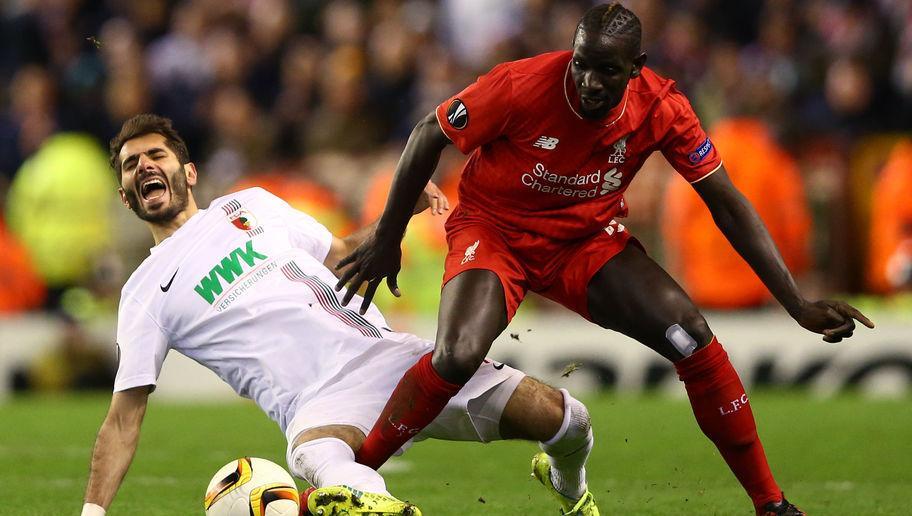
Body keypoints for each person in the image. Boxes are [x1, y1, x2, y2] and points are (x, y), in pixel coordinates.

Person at [334, 4, 875, 516]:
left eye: (607, 72)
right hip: (496, 231)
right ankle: (351, 481)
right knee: (456, 355)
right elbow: (428, 134)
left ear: (635, 69)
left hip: (585, 242)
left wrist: (795, 303)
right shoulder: (520, 83)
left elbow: (726, 203)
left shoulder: (663, 107)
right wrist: (387, 236)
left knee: (692, 337)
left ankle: (771, 503)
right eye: (581, 66)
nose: (589, 82)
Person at [80, 114, 600, 516]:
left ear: (187, 171)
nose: (144, 165)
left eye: (155, 155)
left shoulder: (252, 205)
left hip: (389, 357)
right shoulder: (144, 293)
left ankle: (567, 484)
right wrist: (92, 512)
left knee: (568, 419)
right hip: (317, 405)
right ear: (127, 198)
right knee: (316, 456)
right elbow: (123, 417)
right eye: (131, 164)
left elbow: (344, 252)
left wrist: (398, 211)